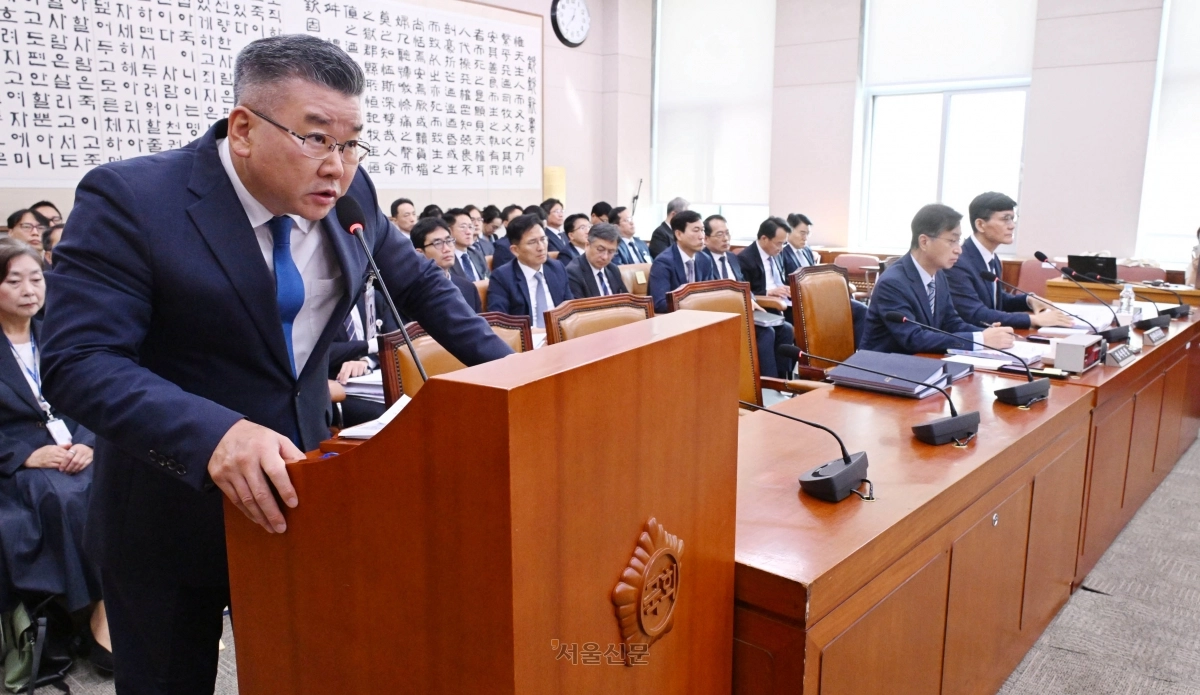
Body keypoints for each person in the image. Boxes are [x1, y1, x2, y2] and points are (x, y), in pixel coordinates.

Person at [39, 34, 512, 694]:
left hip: (301, 493)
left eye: (352, 144)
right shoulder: (133, 200)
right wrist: (216, 434)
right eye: (315, 139)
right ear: (243, 129)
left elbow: (422, 285)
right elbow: (79, 360)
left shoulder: (350, 192)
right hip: (168, 511)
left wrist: (517, 374)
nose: (337, 167)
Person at [0, 239, 111, 673]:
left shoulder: (60, 335)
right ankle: (97, 614)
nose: (29, 290)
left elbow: (94, 395)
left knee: (120, 482)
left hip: (76, 446)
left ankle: (116, 605)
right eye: (14, 281)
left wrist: (88, 442)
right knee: (63, 497)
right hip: (19, 461)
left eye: (36, 278)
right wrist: (27, 455)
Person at [861, 204, 1016, 355]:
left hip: (922, 361)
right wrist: (980, 340)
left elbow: (951, 322)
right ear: (924, 242)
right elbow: (913, 338)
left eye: (959, 241)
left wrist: (987, 334)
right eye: (952, 241)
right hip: (883, 366)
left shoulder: (939, 274)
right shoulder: (893, 283)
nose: (959, 250)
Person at [946, 192, 1072, 330]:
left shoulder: (991, 258)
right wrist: (1032, 319)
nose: (1012, 226)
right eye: (1005, 219)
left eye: (1013, 219)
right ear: (980, 225)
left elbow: (997, 299)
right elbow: (975, 314)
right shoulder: (958, 263)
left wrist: (1028, 300)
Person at [487, 214, 572, 326]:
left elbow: (570, 310)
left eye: (543, 239)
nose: (541, 247)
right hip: (527, 335)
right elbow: (499, 322)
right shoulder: (502, 277)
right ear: (515, 250)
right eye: (532, 242)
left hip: (560, 332)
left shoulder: (557, 268)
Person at [411, 217, 482, 312]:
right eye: (437, 243)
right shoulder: (412, 294)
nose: (447, 249)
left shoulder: (468, 288)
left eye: (449, 241)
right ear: (420, 253)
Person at [648, 210, 713, 314]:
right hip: (673, 319)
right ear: (678, 234)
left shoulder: (705, 260)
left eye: (702, 230)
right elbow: (659, 303)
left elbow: (710, 294)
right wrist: (694, 305)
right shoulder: (663, 262)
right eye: (696, 230)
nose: (702, 236)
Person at [738, 217, 794, 317]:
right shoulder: (745, 259)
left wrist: (787, 288)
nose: (781, 249)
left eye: (784, 244)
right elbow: (745, 293)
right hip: (766, 306)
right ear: (764, 239)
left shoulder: (777, 253)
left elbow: (781, 279)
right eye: (779, 243)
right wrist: (770, 292)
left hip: (785, 301)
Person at [565, 223, 624, 298]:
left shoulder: (613, 269)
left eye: (611, 252)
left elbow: (626, 300)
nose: (605, 257)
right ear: (587, 245)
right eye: (600, 249)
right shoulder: (573, 273)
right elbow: (580, 305)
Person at [445, 208, 488, 281]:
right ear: (449, 231)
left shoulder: (477, 254)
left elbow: (488, 279)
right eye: (463, 227)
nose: (469, 232)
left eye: (470, 227)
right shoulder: (446, 258)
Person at [701, 214, 743, 282]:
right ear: (706, 239)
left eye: (727, 233)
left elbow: (742, 284)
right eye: (719, 234)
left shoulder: (733, 257)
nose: (726, 238)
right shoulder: (701, 260)